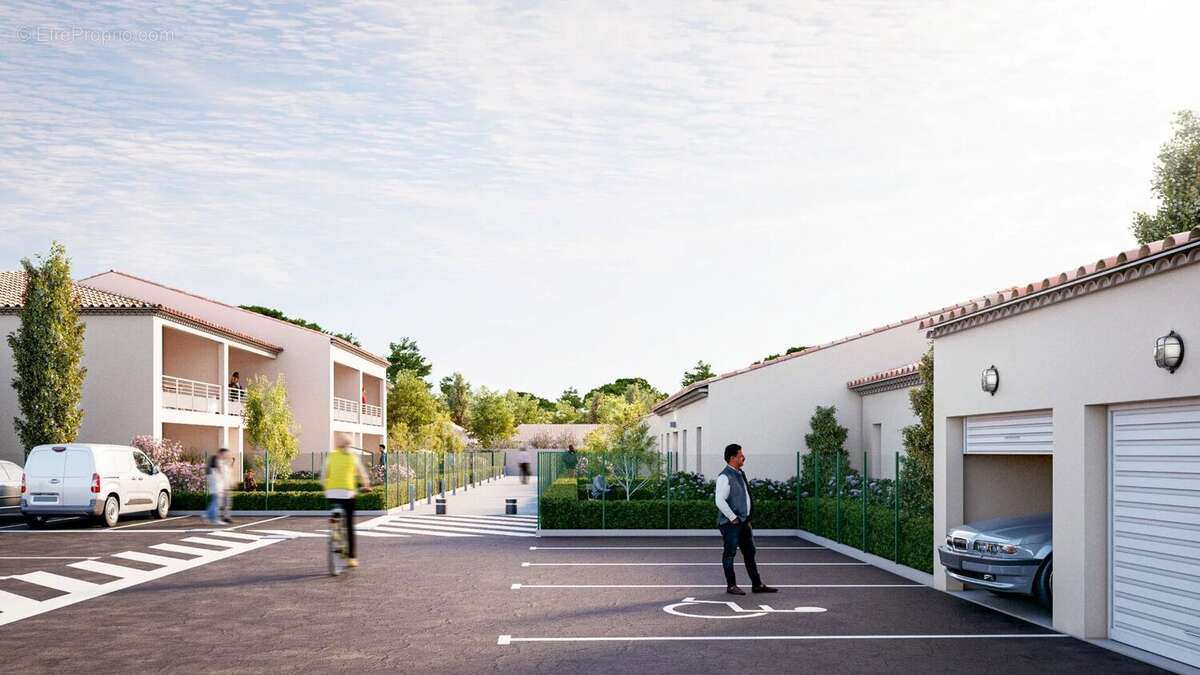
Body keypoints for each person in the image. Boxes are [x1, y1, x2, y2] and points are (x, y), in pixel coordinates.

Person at [715, 443, 776, 596]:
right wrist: (733, 517)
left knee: (750, 553)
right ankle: (731, 586)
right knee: (729, 554)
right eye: (740, 455)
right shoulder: (724, 476)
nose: (743, 457)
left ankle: (757, 584)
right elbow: (719, 501)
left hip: (743, 522)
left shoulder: (740, 473)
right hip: (731, 524)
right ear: (732, 458)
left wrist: (746, 518)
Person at [322, 432, 371, 568]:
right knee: (349, 523)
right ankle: (351, 558)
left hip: (331, 493)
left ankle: (335, 528)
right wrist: (366, 486)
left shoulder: (331, 456)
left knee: (335, 512)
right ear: (350, 444)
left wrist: (326, 488)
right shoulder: (353, 457)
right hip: (348, 493)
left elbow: (323, 475)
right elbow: (362, 475)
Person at [206, 448, 232, 525]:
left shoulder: (215, 466)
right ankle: (213, 518)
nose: (225, 456)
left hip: (217, 487)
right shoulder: (216, 465)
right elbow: (219, 476)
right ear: (220, 453)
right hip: (217, 487)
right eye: (224, 454)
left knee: (214, 502)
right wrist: (221, 487)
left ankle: (208, 515)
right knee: (216, 502)